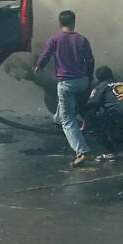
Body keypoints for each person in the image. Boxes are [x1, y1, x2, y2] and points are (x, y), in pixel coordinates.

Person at [34, 10, 94, 167]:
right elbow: (90, 60)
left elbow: (46, 55)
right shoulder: (82, 39)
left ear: (60, 24)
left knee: (67, 119)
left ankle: (81, 151)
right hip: (82, 81)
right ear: (74, 23)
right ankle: (58, 119)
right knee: (66, 108)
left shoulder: (55, 38)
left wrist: (39, 66)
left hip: (66, 83)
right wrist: (89, 78)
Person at [84, 66, 123, 160]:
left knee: (98, 121)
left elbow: (92, 106)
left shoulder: (100, 87)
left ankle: (110, 152)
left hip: (119, 111)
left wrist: (87, 124)